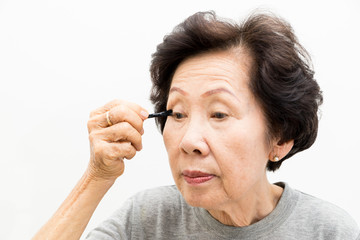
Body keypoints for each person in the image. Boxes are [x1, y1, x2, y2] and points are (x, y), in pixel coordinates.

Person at [33, 11, 360, 240]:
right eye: (176, 113)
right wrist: (97, 177)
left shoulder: (329, 231)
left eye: (219, 114)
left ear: (281, 137)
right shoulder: (148, 220)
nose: (189, 141)